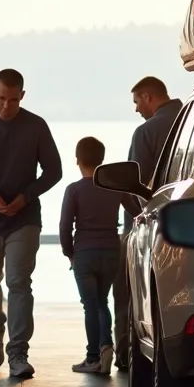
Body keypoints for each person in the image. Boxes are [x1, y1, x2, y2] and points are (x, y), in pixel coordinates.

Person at [0, 69, 62, 379]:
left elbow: (53, 170)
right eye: (2, 98)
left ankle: (18, 352)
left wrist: (25, 196)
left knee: (19, 282)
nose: (7, 106)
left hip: (24, 218)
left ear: (23, 96)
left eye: (13, 100)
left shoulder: (35, 126)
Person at [114, 76, 183, 371]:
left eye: (136, 103)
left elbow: (133, 188)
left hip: (151, 227)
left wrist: (135, 219)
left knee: (128, 295)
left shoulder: (146, 131)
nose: (137, 110)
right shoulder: (191, 119)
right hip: (192, 224)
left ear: (147, 96)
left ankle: (126, 355)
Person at [59, 137, 122, 375]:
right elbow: (136, 210)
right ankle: (106, 346)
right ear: (102, 160)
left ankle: (94, 356)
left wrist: (69, 253)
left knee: (91, 305)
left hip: (84, 254)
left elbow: (65, 226)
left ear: (77, 161)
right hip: (111, 251)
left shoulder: (74, 190)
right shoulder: (115, 187)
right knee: (102, 302)